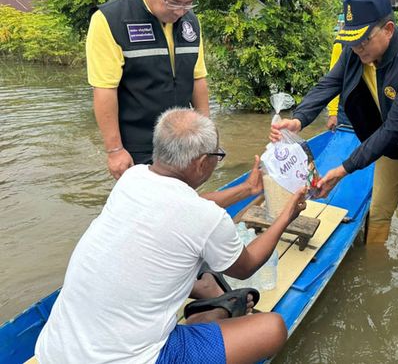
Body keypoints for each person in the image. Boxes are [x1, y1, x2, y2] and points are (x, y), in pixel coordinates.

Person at [35, 108, 307, 364]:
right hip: (135, 359)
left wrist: (247, 189)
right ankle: (210, 316)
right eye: (217, 155)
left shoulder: (133, 178)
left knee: (199, 272)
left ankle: (212, 308)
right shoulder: (205, 218)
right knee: (272, 328)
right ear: (202, 163)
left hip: (53, 351)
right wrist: (286, 215)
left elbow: (194, 204)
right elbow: (246, 267)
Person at [271, 0, 398, 247]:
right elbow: (329, 84)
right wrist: (299, 119)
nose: (355, 47)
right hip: (390, 149)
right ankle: (376, 266)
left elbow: (395, 126)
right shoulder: (356, 51)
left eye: (362, 39)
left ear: (389, 29)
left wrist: (344, 168)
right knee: (378, 214)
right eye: (350, 39)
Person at [87, 0, 210, 180]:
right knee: (145, 212)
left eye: (189, 3)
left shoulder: (189, 23)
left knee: (184, 208)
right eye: (174, 2)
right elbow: (104, 89)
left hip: (182, 144)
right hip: (138, 147)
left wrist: (207, 134)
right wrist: (115, 150)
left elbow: (198, 79)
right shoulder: (111, 20)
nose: (181, 11)